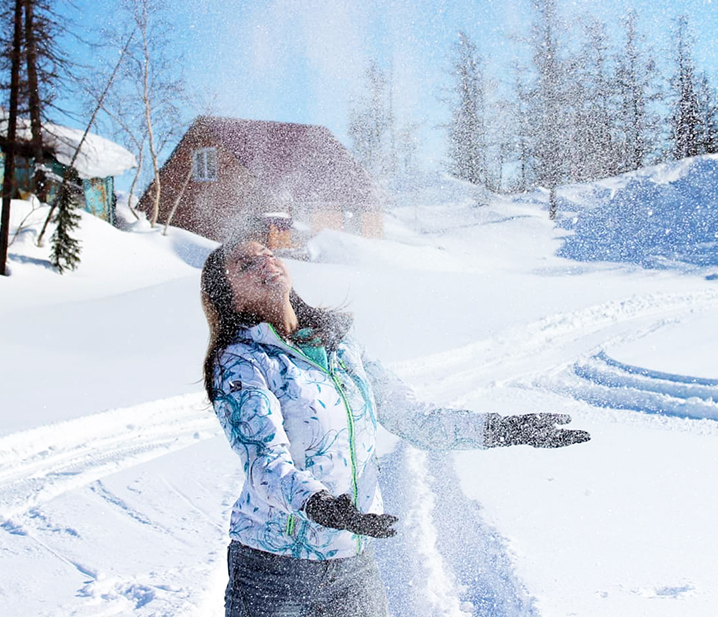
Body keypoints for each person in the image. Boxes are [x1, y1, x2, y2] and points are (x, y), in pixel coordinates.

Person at [200, 237, 591, 617]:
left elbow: (416, 419)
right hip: (274, 570)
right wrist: (320, 506)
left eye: (268, 254)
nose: (266, 262)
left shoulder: (340, 347)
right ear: (228, 297)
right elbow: (264, 463)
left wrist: (505, 429)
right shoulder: (241, 362)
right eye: (247, 264)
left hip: (353, 562)